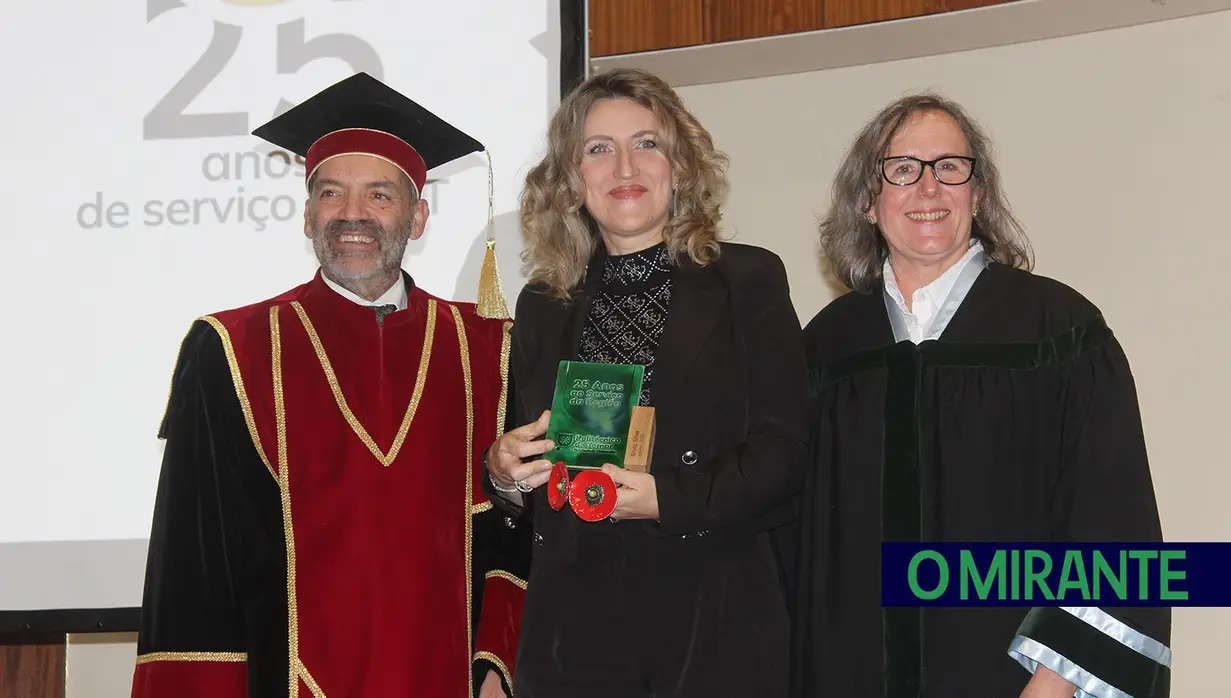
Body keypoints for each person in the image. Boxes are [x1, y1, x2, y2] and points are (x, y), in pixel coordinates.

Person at [129, 72, 528, 698]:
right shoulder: (232, 350)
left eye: (379, 195)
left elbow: (517, 532)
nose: (352, 215)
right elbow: (196, 564)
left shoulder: (487, 350)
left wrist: (497, 659)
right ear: (308, 214)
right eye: (331, 194)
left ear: (418, 216)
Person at [786, 92, 1172, 698]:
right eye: (902, 169)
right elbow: (794, 548)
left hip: (1018, 681)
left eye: (950, 167)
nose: (929, 188)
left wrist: (1055, 682)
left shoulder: (1058, 331)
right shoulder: (828, 350)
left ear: (978, 193)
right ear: (867, 200)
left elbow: (1111, 518)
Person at [482, 67, 811, 698]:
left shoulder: (748, 280)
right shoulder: (542, 306)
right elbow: (530, 467)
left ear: (680, 165)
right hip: (574, 632)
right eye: (598, 150)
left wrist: (665, 497)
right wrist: (503, 469)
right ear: (572, 180)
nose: (624, 166)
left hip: (712, 620)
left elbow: (785, 453)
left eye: (647, 143)